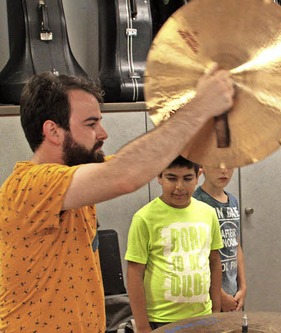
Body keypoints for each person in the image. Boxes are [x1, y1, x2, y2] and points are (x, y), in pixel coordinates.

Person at [0, 67, 234, 332]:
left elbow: (139, 162)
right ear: (53, 131)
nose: (103, 133)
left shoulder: (77, 182)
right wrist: (201, 107)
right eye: (91, 123)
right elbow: (126, 174)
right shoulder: (30, 186)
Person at [125, 156, 223, 332]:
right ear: (159, 176)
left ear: (198, 175)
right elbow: (134, 274)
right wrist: (142, 325)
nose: (179, 187)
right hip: (162, 320)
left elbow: (214, 262)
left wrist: (216, 310)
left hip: (203, 317)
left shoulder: (208, 213)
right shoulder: (144, 218)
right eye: (171, 178)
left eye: (187, 178)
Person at [193, 166, 247, 312]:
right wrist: (219, 295)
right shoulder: (196, 202)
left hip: (233, 292)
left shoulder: (233, 200)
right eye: (216, 163)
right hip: (208, 295)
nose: (224, 170)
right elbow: (197, 257)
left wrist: (242, 287)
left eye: (229, 164)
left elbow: (236, 245)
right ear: (202, 167)